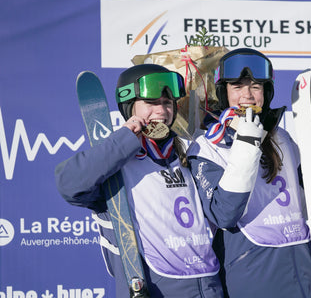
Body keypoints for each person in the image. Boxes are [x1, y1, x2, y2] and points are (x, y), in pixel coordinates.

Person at [55, 64, 224, 298]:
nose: (162, 111)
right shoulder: (115, 165)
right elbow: (69, 183)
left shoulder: (189, 153)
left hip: (209, 284)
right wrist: (123, 140)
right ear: (129, 108)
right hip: (157, 287)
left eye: (167, 103)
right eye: (151, 103)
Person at [186, 48, 311, 298]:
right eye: (237, 86)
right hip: (252, 277)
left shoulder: (283, 138)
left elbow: (308, 200)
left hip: (302, 271)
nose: (247, 95)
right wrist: (246, 142)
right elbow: (224, 214)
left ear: (266, 93)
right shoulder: (206, 148)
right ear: (224, 93)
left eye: (256, 87)